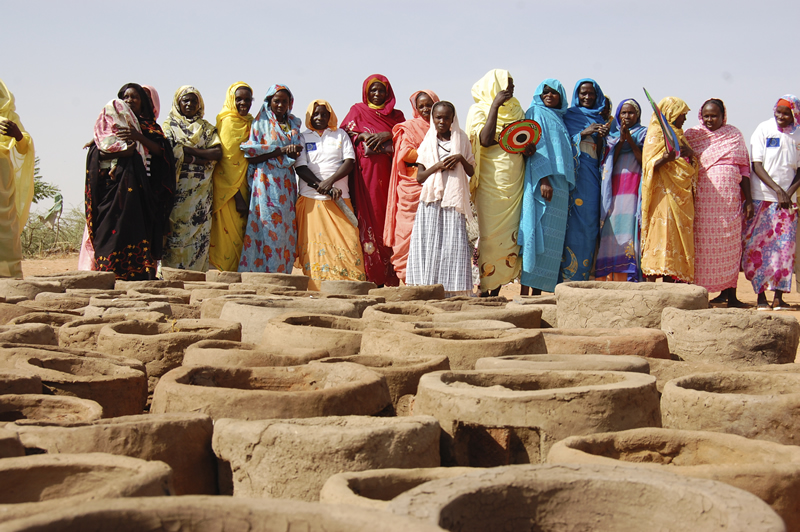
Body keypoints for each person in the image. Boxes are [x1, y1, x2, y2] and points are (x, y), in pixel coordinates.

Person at [85, 83, 175, 280]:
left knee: (140, 229)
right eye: (125, 97)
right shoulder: (113, 124)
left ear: (143, 102)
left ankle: (138, 273)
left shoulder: (150, 127)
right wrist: (100, 144)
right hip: (114, 187)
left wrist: (137, 136)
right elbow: (103, 147)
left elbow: (162, 152)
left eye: (134, 97)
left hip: (147, 188)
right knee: (110, 227)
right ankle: (109, 272)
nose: (129, 101)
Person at [465, 69, 534, 296]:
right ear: (495, 86)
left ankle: (499, 288)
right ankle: (486, 286)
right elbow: (484, 140)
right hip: (490, 180)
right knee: (490, 235)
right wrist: (494, 106)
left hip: (514, 179)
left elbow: (521, 138)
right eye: (507, 85)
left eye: (513, 86)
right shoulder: (479, 110)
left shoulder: (517, 109)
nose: (511, 90)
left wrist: (527, 148)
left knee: (509, 235)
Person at [685, 98, 752, 306]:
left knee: (731, 246)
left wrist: (748, 200)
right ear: (700, 115)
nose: (710, 119)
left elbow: (744, 169)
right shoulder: (693, 135)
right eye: (706, 116)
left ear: (724, 117)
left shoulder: (733, 134)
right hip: (703, 203)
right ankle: (700, 295)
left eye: (714, 116)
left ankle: (730, 295)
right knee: (703, 248)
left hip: (729, 202)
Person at [295, 99, 367, 290]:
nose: (320, 118)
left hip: (340, 197)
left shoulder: (340, 134)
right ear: (309, 117)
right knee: (315, 247)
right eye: (315, 114)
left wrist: (330, 182)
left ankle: (350, 287)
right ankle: (316, 289)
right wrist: (322, 186)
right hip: (312, 197)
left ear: (330, 116)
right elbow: (300, 167)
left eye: (324, 114)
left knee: (349, 240)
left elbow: (349, 162)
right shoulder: (303, 137)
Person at [341, 74, 405, 286]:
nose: (377, 94)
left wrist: (388, 134)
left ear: (389, 93)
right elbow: (343, 136)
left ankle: (392, 274)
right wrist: (361, 136)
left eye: (382, 91)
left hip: (391, 178)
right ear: (366, 92)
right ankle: (373, 275)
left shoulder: (397, 116)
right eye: (373, 90)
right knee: (371, 219)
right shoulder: (357, 111)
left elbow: (408, 138)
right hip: (366, 178)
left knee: (392, 221)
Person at [406, 101, 475, 296]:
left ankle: (453, 291)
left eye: (446, 117)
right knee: (429, 245)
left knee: (453, 245)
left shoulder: (461, 139)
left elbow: (471, 170)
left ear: (453, 118)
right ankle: (427, 288)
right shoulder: (427, 142)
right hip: (431, 201)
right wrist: (438, 166)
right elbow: (420, 177)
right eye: (438, 117)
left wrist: (460, 158)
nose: (442, 121)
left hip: (453, 200)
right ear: (432, 119)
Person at [743, 95, 800, 310]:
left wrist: (788, 193)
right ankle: (760, 298)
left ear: (795, 114)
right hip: (763, 199)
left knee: (784, 250)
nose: (781, 117)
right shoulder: (763, 129)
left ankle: (778, 298)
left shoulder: (798, 133)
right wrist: (778, 191)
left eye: (786, 114)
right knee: (758, 249)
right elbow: (756, 165)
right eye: (778, 112)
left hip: (788, 203)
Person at [519, 79, 576, 294]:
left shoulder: (560, 119)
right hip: (544, 181)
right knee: (536, 229)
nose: (549, 96)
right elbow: (535, 146)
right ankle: (525, 293)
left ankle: (538, 294)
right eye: (545, 92)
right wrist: (544, 179)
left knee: (552, 243)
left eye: (554, 92)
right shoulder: (535, 112)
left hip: (560, 188)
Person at [238, 84, 302, 273]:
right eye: (277, 101)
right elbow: (252, 154)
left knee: (284, 229)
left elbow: (298, 152)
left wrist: (292, 151)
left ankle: (282, 273)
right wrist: (281, 150)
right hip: (266, 181)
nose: (281, 105)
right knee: (266, 224)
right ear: (269, 102)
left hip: (287, 183)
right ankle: (261, 272)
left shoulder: (294, 123)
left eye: (285, 101)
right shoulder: (260, 124)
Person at [162, 86, 221, 271]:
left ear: (200, 104)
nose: (189, 104)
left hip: (201, 191)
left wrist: (187, 150)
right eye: (185, 100)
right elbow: (169, 153)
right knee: (176, 231)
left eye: (193, 101)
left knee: (199, 233)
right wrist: (201, 157)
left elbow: (218, 153)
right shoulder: (168, 126)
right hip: (178, 188)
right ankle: (172, 274)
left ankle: (196, 276)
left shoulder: (206, 128)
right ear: (177, 102)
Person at [640, 97, 698, 283]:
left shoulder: (679, 135)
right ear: (671, 113)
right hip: (662, 193)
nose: (684, 119)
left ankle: (670, 280)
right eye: (682, 115)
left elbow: (690, 164)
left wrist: (690, 155)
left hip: (681, 196)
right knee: (660, 233)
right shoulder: (656, 134)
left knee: (676, 235)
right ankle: (651, 281)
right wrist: (666, 158)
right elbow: (648, 165)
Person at [385, 90, 439, 282]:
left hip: (435, 184)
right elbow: (405, 154)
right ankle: (407, 278)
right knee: (405, 232)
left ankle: (428, 280)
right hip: (411, 185)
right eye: (421, 106)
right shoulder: (408, 128)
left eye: (429, 105)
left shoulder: (442, 127)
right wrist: (432, 151)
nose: (425, 109)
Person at [560, 79, 609, 281]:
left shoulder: (601, 118)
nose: (587, 97)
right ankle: (565, 279)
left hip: (593, 179)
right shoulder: (569, 116)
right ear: (576, 95)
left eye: (591, 94)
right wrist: (583, 133)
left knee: (590, 224)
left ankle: (583, 277)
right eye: (583, 93)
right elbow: (560, 143)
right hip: (574, 179)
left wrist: (602, 137)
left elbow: (605, 153)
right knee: (571, 226)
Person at [596, 99, 647, 282]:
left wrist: (630, 141)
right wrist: (621, 140)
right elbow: (610, 160)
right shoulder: (612, 135)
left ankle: (628, 274)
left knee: (629, 226)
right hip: (613, 187)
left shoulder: (644, 133)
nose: (627, 116)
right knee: (612, 227)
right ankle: (611, 272)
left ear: (638, 115)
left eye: (631, 112)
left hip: (633, 185)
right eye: (623, 113)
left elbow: (644, 162)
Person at [209, 82, 254, 271]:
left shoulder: (251, 122)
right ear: (230, 100)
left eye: (247, 99)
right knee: (228, 238)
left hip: (245, 186)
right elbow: (226, 164)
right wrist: (238, 198)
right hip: (229, 192)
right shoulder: (227, 122)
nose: (243, 103)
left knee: (240, 236)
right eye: (238, 99)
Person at [0, 79, 34, 278]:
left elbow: (23, 147)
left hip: (3, 180)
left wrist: (18, 135)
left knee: (5, 227)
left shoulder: (9, 116)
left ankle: (8, 277)